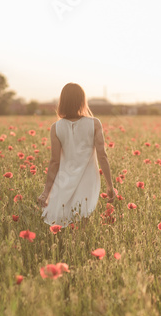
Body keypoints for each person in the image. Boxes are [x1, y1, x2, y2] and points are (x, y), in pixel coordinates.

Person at [37, 83, 114, 228]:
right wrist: (110, 186)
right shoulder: (94, 123)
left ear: (62, 102)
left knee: (63, 219)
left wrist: (46, 193)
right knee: (82, 218)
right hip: (88, 178)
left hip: (64, 178)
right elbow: (102, 156)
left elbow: (54, 162)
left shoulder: (56, 127)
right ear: (82, 101)